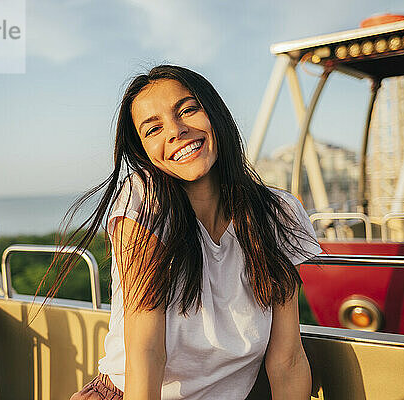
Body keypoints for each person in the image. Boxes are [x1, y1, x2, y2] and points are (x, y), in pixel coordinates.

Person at [43, 65, 322, 400]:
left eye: (188, 110)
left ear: (215, 114)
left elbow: (287, 359)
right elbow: (147, 352)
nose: (175, 131)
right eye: (153, 129)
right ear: (143, 152)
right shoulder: (145, 202)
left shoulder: (278, 213)